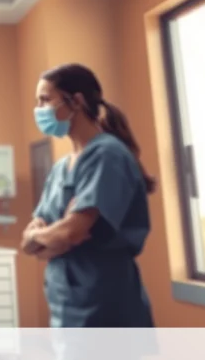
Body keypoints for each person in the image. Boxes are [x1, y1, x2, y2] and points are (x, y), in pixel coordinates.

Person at [21, 63, 155, 327]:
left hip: (104, 305)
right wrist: (41, 236)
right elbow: (30, 245)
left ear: (76, 101)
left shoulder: (107, 155)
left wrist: (54, 235)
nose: (39, 109)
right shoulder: (61, 167)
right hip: (66, 303)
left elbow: (70, 233)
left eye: (45, 100)